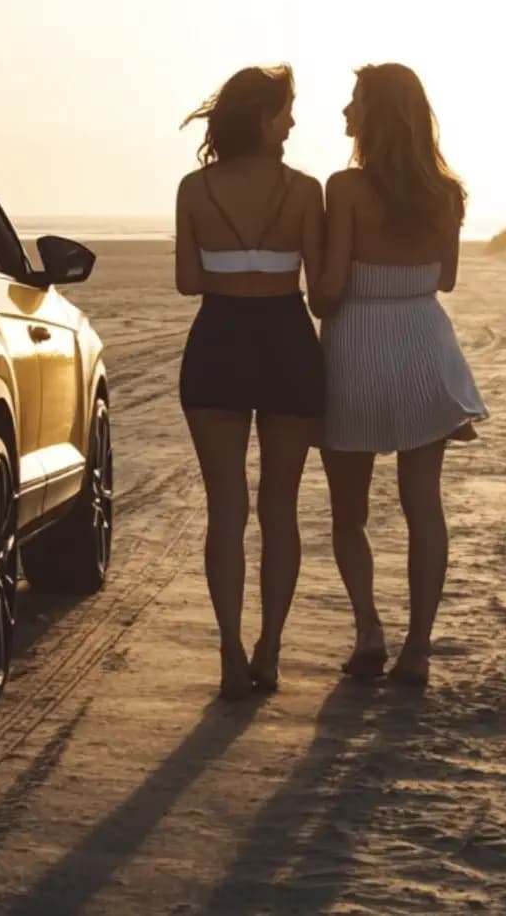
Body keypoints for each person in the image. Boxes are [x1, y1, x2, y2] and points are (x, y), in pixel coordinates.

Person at [313, 63, 487, 687]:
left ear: (378, 113)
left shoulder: (344, 188)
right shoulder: (447, 193)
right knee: (424, 507)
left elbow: (328, 292)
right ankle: (417, 648)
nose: (345, 111)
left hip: (354, 349)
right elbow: (448, 279)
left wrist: (314, 276)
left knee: (348, 512)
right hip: (421, 345)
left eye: (354, 100)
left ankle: (369, 631)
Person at [175, 64, 327, 699]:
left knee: (226, 509)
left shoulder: (194, 188)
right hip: (287, 344)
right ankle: (270, 648)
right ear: (263, 118)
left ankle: (231, 650)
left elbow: (188, 281)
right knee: (280, 509)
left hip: (219, 343)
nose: (292, 122)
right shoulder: (305, 190)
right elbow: (320, 291)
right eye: (286, 110)